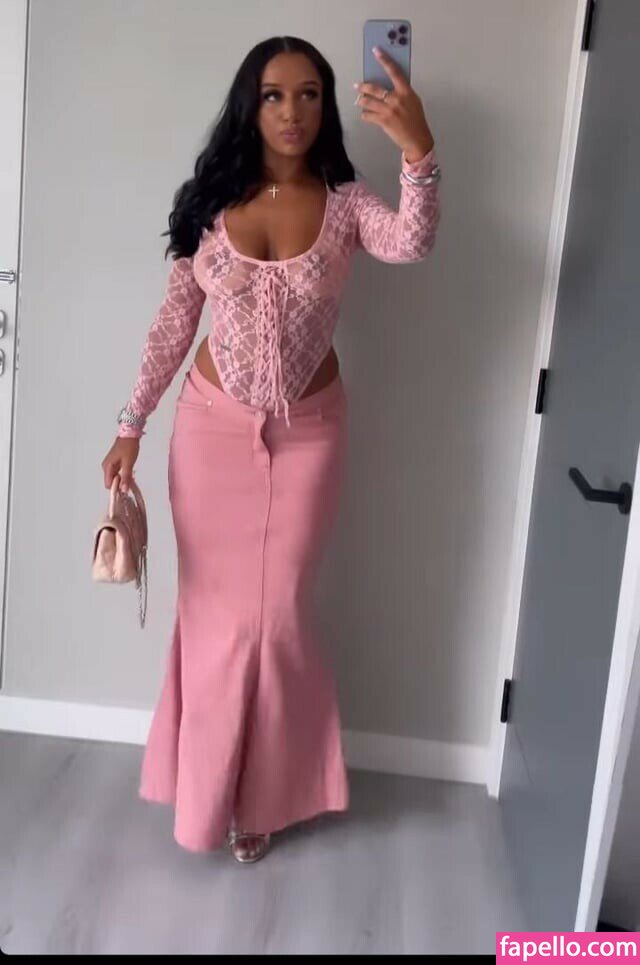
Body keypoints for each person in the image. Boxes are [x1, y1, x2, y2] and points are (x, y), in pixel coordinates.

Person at [101, 35, 441, 864]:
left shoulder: (347, 203)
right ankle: (206, 794)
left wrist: (419, 151)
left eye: (310, 94)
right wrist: (130, 425)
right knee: (213, 618)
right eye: (275, 95)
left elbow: (412, 242)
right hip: (208, 436)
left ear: (327, 106)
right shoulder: (210, 203)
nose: (293, 112)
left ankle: (260, 797)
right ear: (249, 106)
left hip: (308, 436)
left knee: (277, 618)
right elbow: (173, 324)